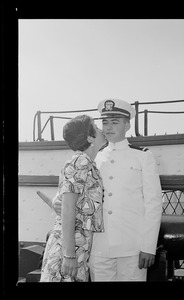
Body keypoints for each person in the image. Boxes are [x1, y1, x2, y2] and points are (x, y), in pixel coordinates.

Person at [53, 98, 163, 281]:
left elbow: (153, 204)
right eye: (104, 122)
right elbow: (66, 194)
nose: (108, 127)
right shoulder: (93, 157)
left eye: (115, 122)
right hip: (99, 247)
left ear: (127, 125)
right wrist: (56, 202)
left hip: (132, 246)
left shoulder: (143, 156)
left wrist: (148, 246)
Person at [40, 115, 107, 282]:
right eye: (96, 128)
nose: (101, 130)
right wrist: (69, 254)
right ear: (90, 137)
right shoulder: (80, 161)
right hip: (70, 248)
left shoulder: (87, 162)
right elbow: (68, 208)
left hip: (78, 246)